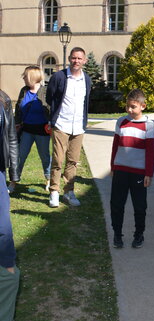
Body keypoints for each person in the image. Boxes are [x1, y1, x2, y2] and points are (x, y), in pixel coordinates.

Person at [46, 47, 91, 208]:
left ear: (84, 61)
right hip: (61, 124)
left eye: (79, 58)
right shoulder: (59, 77)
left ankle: (68, 192)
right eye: (73, 58)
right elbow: (49, 97)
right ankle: (54, 191)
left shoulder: (86, 79)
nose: (76, 61)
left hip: (78, 126)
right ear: (69, 59)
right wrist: (53, 118)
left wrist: (84, 123)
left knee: (72, 161)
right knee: (58, 159)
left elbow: (86, 102)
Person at [110, 89, 154, 249]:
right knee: (117, 204)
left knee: (139, 206)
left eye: (133, 107)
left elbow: (150, 152)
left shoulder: (148, 126)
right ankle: (117, 234)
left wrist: (149, 173)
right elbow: (115, 145)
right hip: (120, 170)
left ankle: (139, 234)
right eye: (128, 106)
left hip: (139, 173)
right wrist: (113, 166)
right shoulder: (121, 122)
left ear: (143, 106)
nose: (129, 110)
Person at [9, 66, 51, 193]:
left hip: (42, 131)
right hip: (26, 130)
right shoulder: (24, 91)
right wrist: (17, 123)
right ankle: (13, 182)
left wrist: (51, 123)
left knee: (44, 157)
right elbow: (18, 108)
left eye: (25, 76)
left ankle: (49, 180)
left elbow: (51, 108)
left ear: (32, 77)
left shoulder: (45, 91)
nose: (23, 78)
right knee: (20, 156)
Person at [0, 89, 20, 321]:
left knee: (3, 229)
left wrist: (13, 172)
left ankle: (7, 270)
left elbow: (11, 138)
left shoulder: (3, 100)